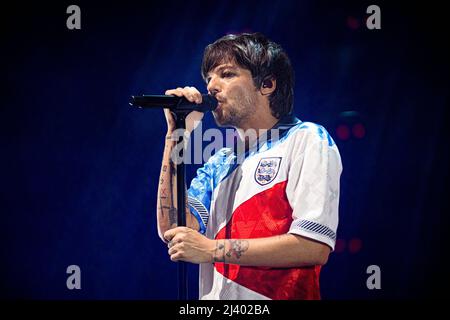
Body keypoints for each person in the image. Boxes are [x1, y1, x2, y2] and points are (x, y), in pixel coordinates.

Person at [156, 32, 342, 300]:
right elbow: (173, 228)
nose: (211, 87)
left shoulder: (307, 139)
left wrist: (212, 250)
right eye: (208, 78)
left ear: (266, 84)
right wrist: (176, 135)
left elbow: (313, 246)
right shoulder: (219, 162)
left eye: (227, 74)